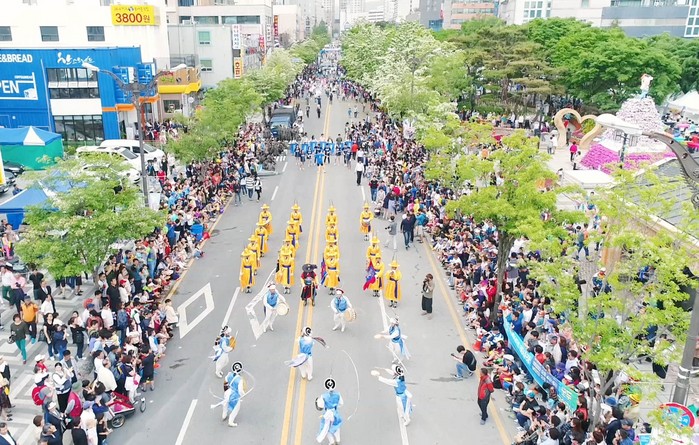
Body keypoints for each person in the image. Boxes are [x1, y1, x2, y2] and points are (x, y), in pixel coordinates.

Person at [315, 378, 343, 445]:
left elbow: (320, 406)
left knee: (326, 428)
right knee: (336, 426)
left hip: (327, 413)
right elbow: (341, 403)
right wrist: (335, 407)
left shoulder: (323, 396)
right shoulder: (338, 394)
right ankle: (338, 440)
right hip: (335, 414)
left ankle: (332, 442)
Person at [220, 362, 247, 427]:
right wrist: (243, 394)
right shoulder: (240, 380)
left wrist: (225, 391)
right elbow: (240, 390)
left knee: (225, 403)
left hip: (227, 392)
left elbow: (225, 383)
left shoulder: (229, 375)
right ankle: (231, 421)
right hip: (234, 395)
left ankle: (224, 415)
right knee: (236, 408)